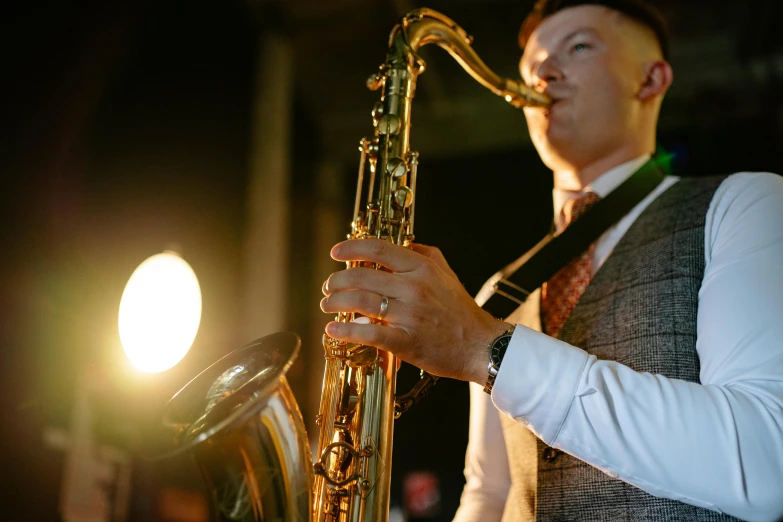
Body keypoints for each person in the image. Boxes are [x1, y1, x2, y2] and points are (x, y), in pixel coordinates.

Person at [319, 0, 783, 520]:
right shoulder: (503, 289)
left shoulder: (746, 203)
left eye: (578, 46)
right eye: (531, 64)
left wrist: (485, 348)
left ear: (651, 79)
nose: (542, 71)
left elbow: (766, 460)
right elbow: (490, 493)